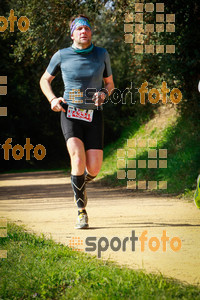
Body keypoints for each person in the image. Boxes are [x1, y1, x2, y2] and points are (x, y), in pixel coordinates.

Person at [40, 15, 114, 228]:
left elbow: (109, 84)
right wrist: (53, 99)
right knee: (77, 157)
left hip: (94, 114)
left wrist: (103, 94)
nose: (84, 32)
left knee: (95, 168)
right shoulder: (62, 55)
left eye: (87, 29)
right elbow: (44, 79)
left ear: (91, 32)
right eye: (79, 29)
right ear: (72, 33)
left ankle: (79, 182)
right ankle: (81, 211)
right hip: (69, 112)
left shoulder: (102, 54)